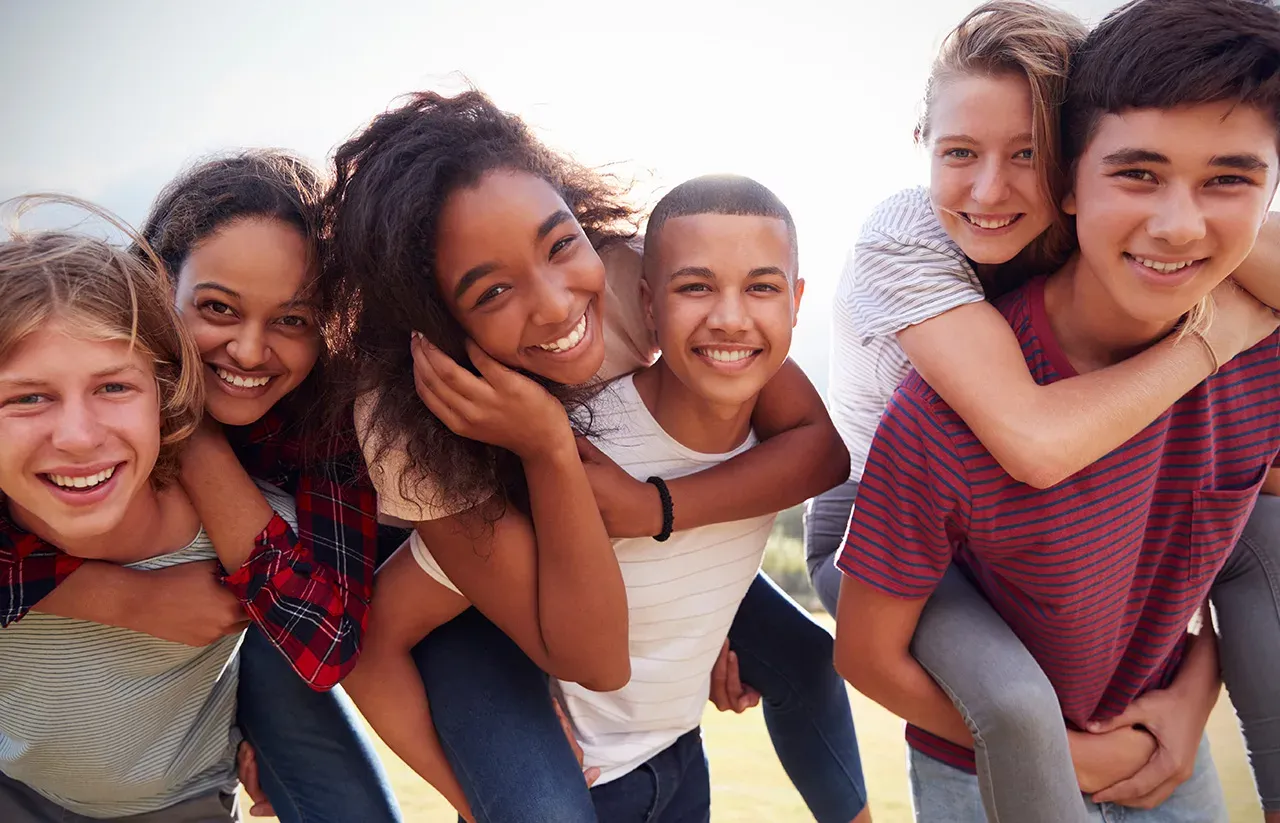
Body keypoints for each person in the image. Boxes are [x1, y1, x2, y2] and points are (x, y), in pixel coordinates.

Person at [326, 90, 866, 822]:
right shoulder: (409, 423)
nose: (554, 305)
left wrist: (667, 526)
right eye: (492, 290)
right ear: (438, 319)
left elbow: (813, 447)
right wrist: (548, 440)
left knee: (803, 659)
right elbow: (592, 658)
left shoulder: (638, 282)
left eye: (560, 244)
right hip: (486, 580)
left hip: (619, 525)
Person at [806, 2, 1280, 819]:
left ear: (1061, 171)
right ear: (924, 145)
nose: (991, 188)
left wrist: (1191, 697)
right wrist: (1211, 340)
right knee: (1018, 703)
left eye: (1026, 154)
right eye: (961, 152)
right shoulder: (906, 245)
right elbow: (1029, 438)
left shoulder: (1133, 241)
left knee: (1264, 534)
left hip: (1078, 555)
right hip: (879, 511)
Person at [0, 154, 402, 823]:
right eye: (217, 307)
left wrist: (195, 440)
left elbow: (322, 635)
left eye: (292, 319)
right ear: (156, 288)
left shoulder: (322, 430)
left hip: (257, 599)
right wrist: (123, 597)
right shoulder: (67, 420)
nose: (248, 350)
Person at [0, 198, 257, 822]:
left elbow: (322, 621)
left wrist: (272, 739)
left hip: (180, 801)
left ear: (164, 394)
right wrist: (125, 600)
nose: (78, 436)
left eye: (114, 387)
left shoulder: (233, 526)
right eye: (29, 397)